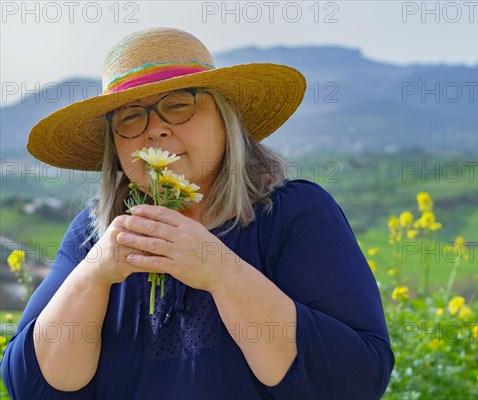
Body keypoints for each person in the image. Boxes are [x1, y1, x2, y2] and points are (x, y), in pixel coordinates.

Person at [1, 27, 394, 399]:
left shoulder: (295, 214)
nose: (154, 130)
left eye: (178, 104)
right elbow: (31, 386)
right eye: (130, 116)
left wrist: (222, 273)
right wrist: (94, 274)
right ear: (115, 146)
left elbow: (354, 379)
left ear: (226, 121)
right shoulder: (92, 234)